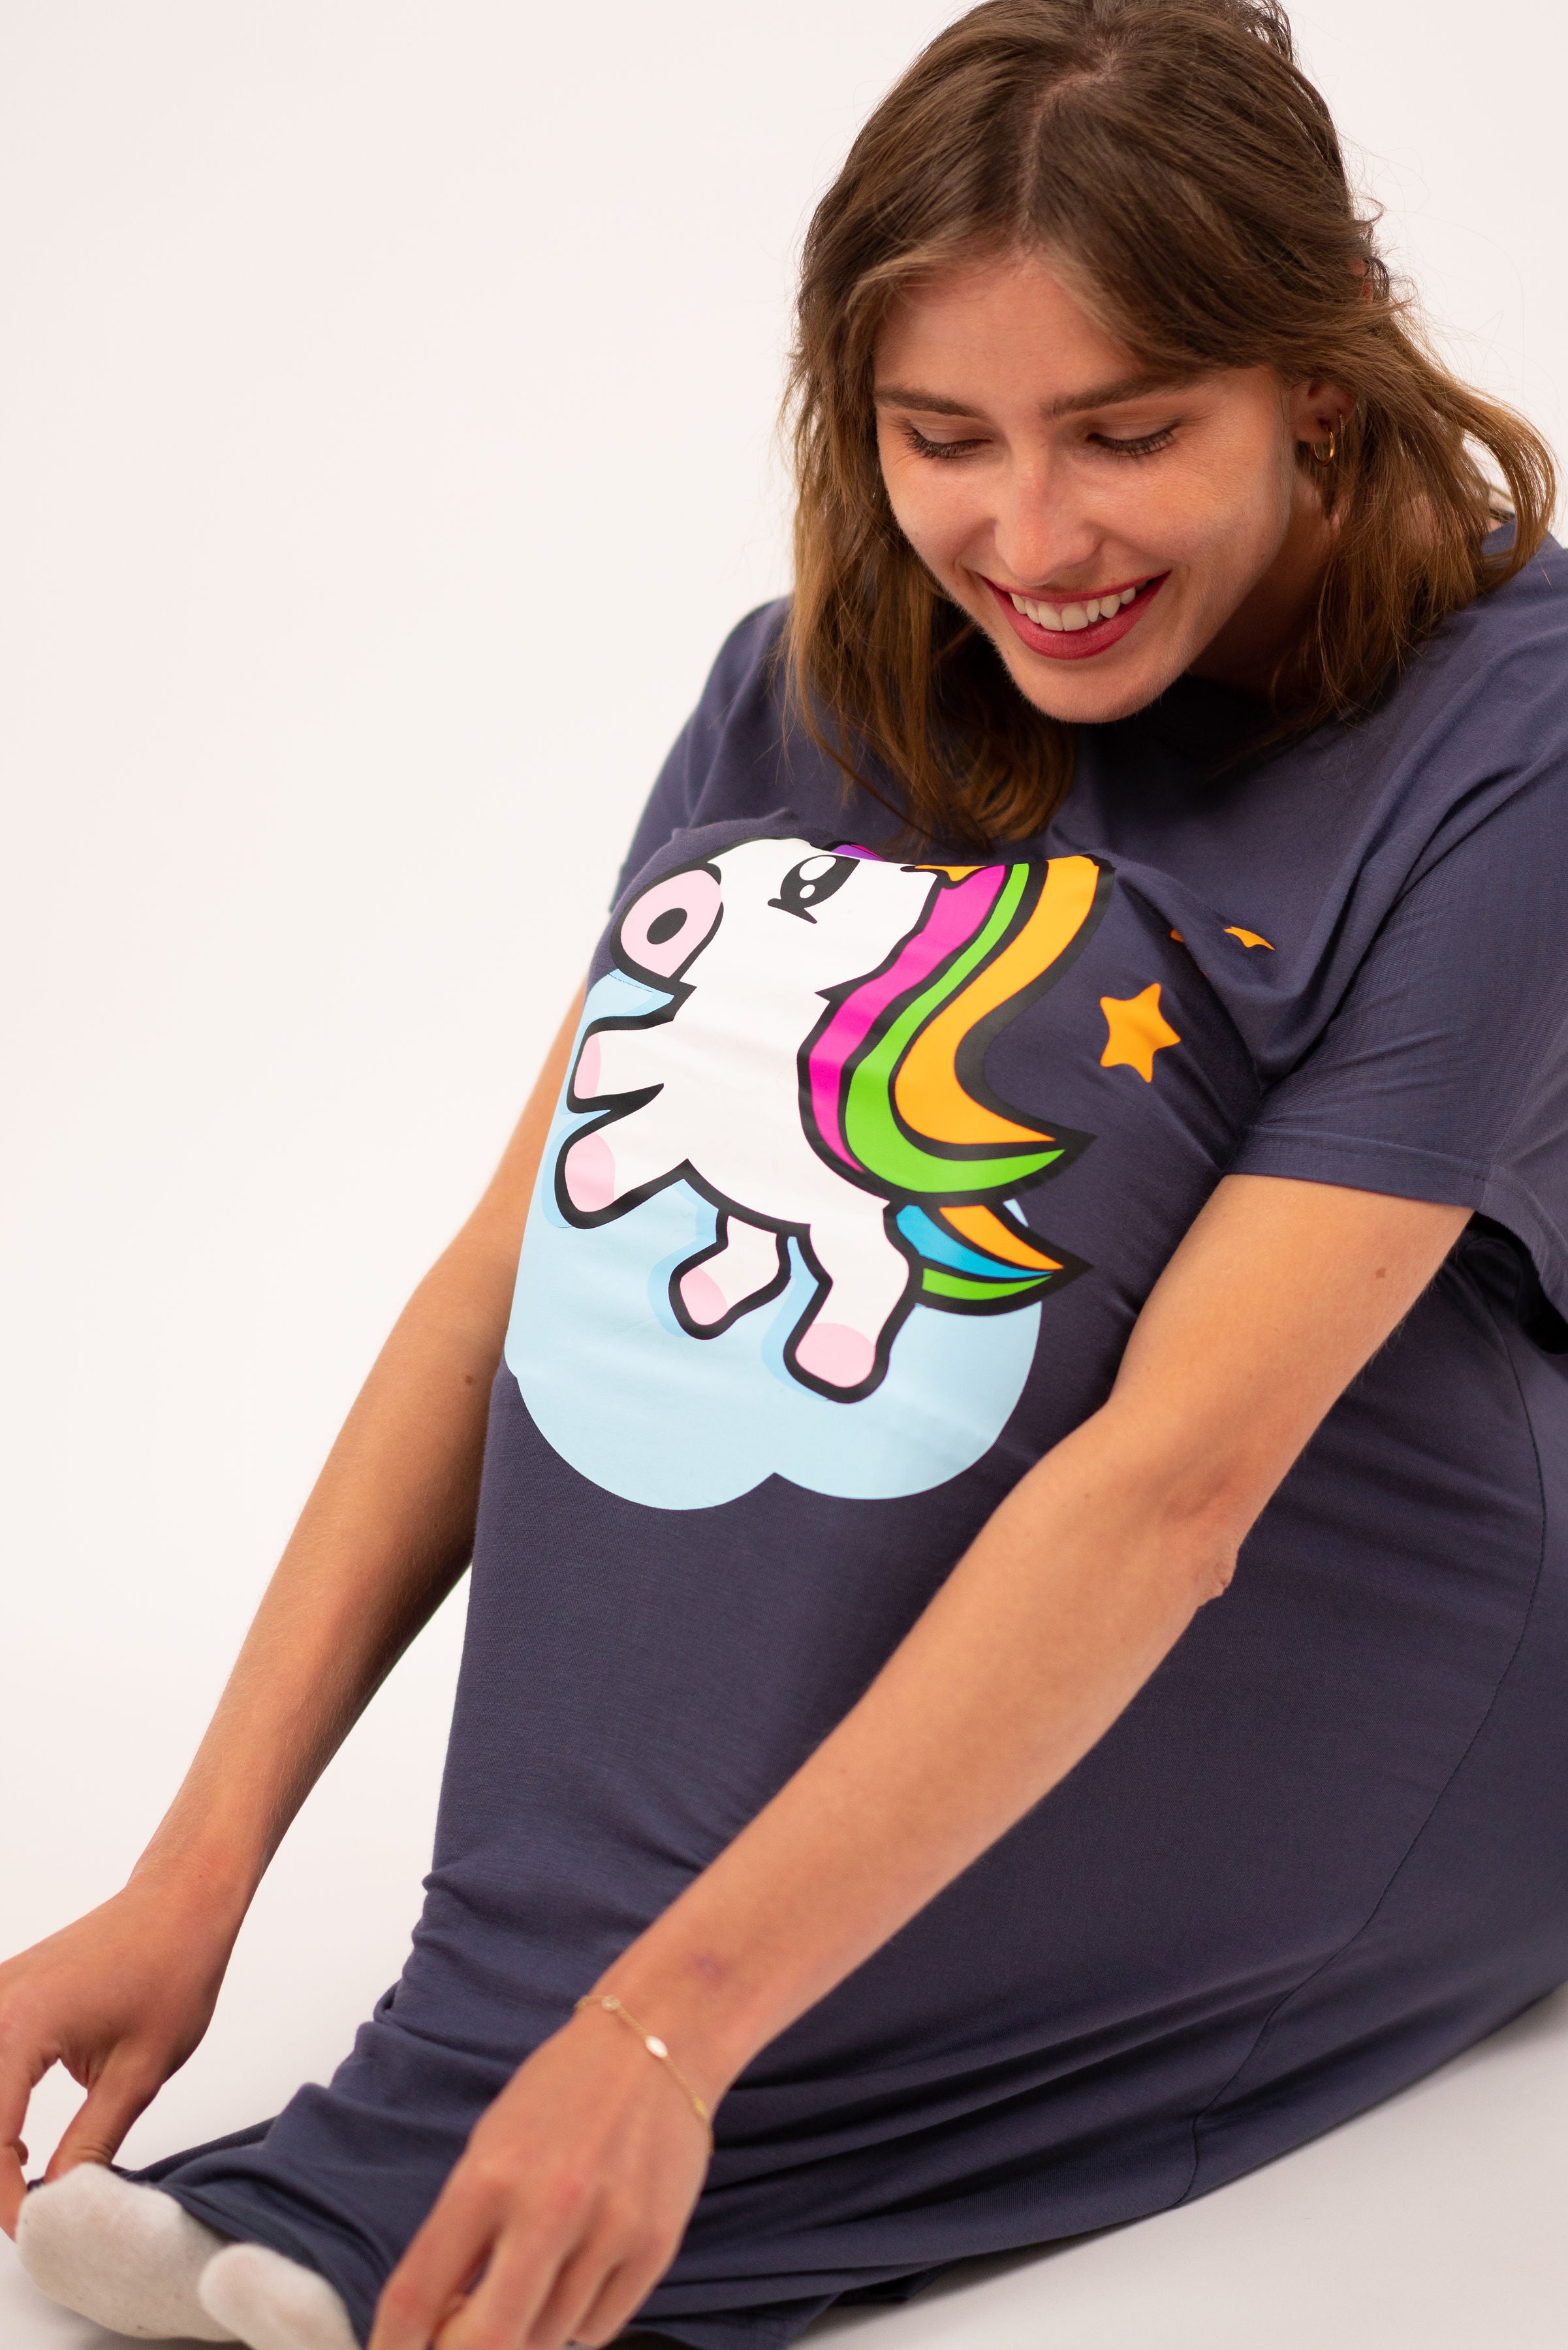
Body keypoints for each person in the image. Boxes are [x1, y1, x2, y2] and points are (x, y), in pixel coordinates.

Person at [5, 2, 1567, 2346]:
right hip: (1098, 1566)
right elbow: (518, 1278)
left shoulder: (1521, 722)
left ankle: (481, 2107)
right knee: (738, 1031)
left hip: (1412, 1603)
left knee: (1042, 1032)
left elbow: (1175, 1480)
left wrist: (665, 2036)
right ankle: (479, 2053)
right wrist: (193, 1873)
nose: (1030, 541)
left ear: (1313, 392)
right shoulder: (806, 680)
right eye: (943, 440)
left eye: (1127, 433)